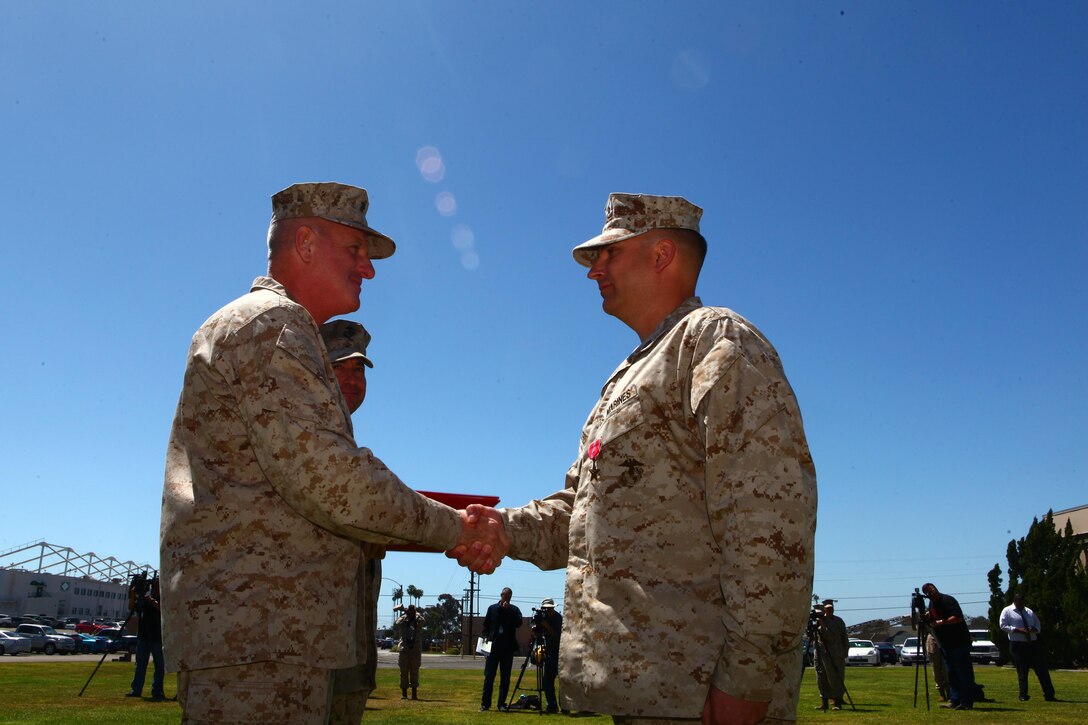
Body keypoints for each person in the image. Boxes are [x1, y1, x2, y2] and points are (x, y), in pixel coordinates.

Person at [453, 193, 818, 724]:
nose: (593, 270)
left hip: (704, 694)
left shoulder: (715, 340)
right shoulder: (631, 375)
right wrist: (504, 529)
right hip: (650, 691)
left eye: (609, 254)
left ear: (661, 254)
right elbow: (583, 515)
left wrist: (747, 675)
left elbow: (769, 522)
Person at [160, 182, 505, 724]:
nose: (368, 269)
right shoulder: (273, 325)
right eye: (355, 251)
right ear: (304, 245)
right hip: (260, 642)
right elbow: (333, 481)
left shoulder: (271, 327)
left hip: (264, 636)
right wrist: (459, 528)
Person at [320, 319, 385, 723]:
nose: (352, 379)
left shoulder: (345, 441)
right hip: (310, 655)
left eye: (358, 369)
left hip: (351, 651)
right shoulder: (306, 435)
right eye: (338, 368)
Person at [922, 583, 976, 710]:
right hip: (945, 643)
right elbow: (932, 619)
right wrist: (927, 617)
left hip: (959, 642)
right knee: (951, 673)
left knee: (963, 672)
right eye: (929, 592)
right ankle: (955, 700)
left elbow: (958, 617)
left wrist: (943, 622)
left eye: (933, 590)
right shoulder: (932, 604)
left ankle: (966, 701)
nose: (932, 592)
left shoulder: (948, 600)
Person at [999, 593, 1056, 702]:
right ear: (1015, 601)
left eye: (1023, 602)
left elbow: (1038, 624)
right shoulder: (1007, 611)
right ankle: (1023, 695)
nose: (1021, 605)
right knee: (1022, 670)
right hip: (1018, 645)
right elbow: (1003, 625)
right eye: (1019, 602)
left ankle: (1049, 695)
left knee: (1042, 670)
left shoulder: (1029, 611)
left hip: (1033, 644)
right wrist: (1017, 629)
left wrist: (1035, 629)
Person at [480, 587, 523, 712]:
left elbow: (519, 623)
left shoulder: (514, 610)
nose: (507, 598)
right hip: (493, 648)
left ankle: (501, 704)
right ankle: (485, 704)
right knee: (489, 676)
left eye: (509, 597)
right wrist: (484, 637)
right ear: (501, 595)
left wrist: (509, 611)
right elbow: (486, 626)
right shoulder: (492, 609)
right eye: (505, 596)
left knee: (505, 678)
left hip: (507, 649)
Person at [125, 576, 165, 701]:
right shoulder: (145, 600)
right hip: (143, 636)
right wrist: (133, 595)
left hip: (157, 637)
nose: (155, 586)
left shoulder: (164, 598)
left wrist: (153, 601)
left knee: (160, 666)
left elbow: (165, 611)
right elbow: (131, 607)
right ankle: (136, 689)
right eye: (154, 584)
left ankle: (157, 691)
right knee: (140, 665)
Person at [814, 600, 848, 711]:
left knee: (834, 678)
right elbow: (810, 635)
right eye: (826, 609)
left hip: (834, 653)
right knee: (820, 678)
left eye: (830, 608)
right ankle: (824, 701)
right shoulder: (817, 622)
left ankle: (837, 701)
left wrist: (822, 626)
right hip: (820, 653)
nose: (829, 610)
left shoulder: (837, 621)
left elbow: (831, 637)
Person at [535, 597, 563, 714]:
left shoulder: (558, 618)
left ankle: (563, 706)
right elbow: (538, 631)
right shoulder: (543, 617)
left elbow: (556, 635)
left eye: (549, 609)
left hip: (558, 651)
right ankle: (551, 705)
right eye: (545, 609)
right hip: (548, 651)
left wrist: (545, 624)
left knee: (560, 680)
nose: (547, 611)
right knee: (547, 681)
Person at [394, 605, 424, 700]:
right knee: (403, 672)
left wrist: (416, 614)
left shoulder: (418, 620)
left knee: (414, 671)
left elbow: (423, 621)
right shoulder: (403, 620)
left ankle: (414, 693)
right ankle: (404, 693)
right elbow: (397, 623)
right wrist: (405, 615)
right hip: (404, 649)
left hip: (415, 649)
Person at [925, 631, 949, 702]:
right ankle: (941, 693)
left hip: (946, 635)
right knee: (936, 669)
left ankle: (950, 693)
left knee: (947, 669)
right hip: (932, 637)